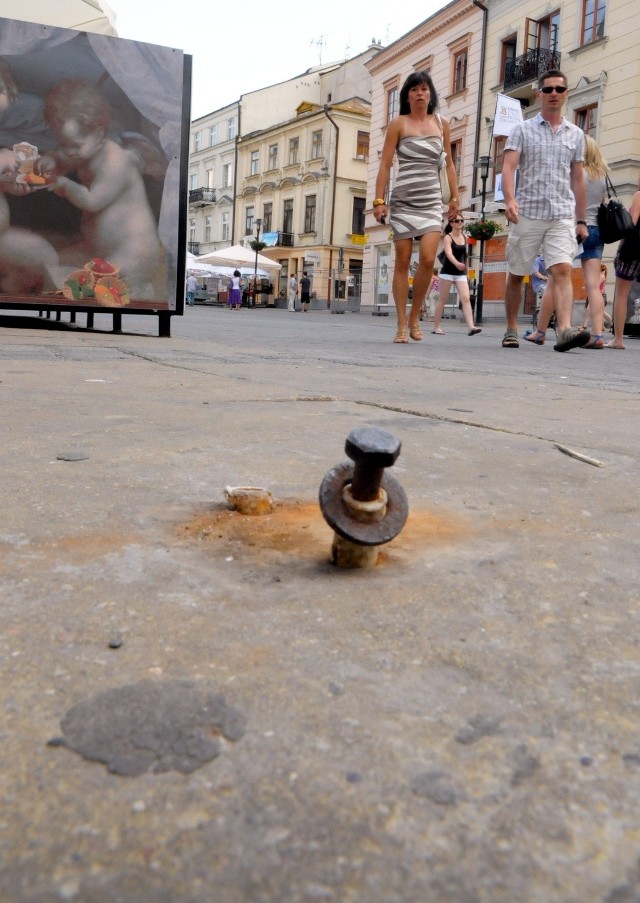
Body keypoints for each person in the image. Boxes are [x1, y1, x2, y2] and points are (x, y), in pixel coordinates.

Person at [39, 78, 164, 300]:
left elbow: (92, 200)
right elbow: (62, 157)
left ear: (98, 134)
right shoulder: (83, 150)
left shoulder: (115, 160)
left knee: (90, 285)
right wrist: (51, 159)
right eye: (62, 144)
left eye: (74, 145)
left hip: (134, 250)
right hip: (97, 248)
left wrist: (66, 185)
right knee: (53, 263)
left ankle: (139, 290)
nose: (68, 152)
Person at [500, 69, 590, 352]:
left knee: (562, 269)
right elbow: (509, 167)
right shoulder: (522, 129)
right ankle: (511, 328)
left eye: (559, 90)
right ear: (539, 94)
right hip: (527, 211)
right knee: (517, 273)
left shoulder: (576, 135)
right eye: (548, 89)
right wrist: (510, 200)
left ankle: (563, 330)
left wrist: (581, 219)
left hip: (561, 213)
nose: (553, 94)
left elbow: (577, 178)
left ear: (566, 95)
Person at [372, 70, 460, 343]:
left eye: (424, 89)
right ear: (407, 96)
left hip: (432, 202)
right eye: (414, 89)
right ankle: (401, 324)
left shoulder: (441, 123)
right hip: (403, 201)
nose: (420, 93)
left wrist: (455, 200)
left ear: (431, 94)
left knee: (426, 260)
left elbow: (448, 163)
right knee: (401, 261)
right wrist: (379, 201)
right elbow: (385, 164)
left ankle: (414, 317)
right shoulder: (398, 124)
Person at [527, 136, 612, 348]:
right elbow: (601, 203)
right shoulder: (602, 176)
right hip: (596, 230)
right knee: (593, 286)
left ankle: (539, 332)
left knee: (554, 280)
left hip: (572, 230)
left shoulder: (574, 173)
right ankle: (598, 335)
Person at [431, 216, 481, 336]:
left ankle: (471, 327)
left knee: (466, 298)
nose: (459, 223)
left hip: (460, 274)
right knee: (442, 299)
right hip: (447, 272)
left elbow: (465, 256)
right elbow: (448, 253)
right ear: (452, 224)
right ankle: (437, 326)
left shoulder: (465, 237)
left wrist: (467, 272)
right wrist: (457, 263)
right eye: (457, 221)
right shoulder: (448, 238)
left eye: (461, 221)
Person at [605, 180, 640, 349]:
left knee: (621, 294)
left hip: (633, 250)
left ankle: (618, 339)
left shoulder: (639, 195)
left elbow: (631, 224)